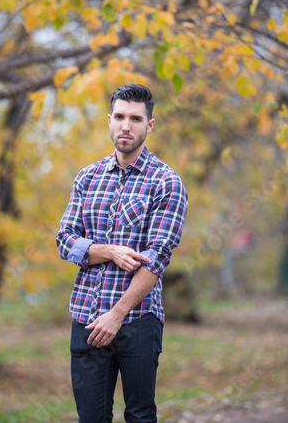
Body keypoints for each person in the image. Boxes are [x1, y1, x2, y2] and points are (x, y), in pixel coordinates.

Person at [56, 83, 188, 423]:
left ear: (150, 125)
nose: (125, 125)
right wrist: (111, 251)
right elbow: (64, 241)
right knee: (91, 418)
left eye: (135, 118)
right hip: (86, 315)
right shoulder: (87, 177)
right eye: (119, 117)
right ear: (109, 121)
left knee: (140, 416)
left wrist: (116, 314)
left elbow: (156, 259)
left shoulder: (166, 183)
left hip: (138, 320)